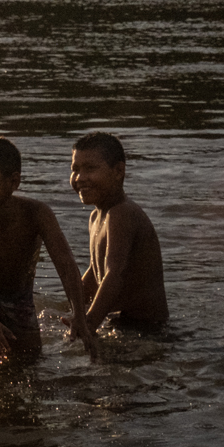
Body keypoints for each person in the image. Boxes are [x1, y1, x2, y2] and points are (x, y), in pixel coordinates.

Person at [0, 136, 98, 363]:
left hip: (19, 298)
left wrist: (79, 313)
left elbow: (67, 268)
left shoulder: (36, 214)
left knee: (30, 360)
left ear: (13, 182)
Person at [67, 131, 169, 332]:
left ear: (118, 171)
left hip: (147, 330)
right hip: (123, 325)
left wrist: (88, 324)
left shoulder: (122, 213)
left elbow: (114, 274)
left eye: (90, 169)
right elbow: (96, 271)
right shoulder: (96, 216)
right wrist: (75, 309)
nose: (80, 178)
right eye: (75, 169)